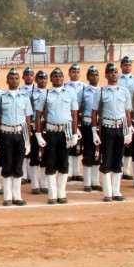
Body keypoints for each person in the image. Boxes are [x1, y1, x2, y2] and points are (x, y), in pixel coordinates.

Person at [0, 69, 33, 206]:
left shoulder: (25, 98)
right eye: (11, 78)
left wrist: (28, 141)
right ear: (7, 81)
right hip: (6, 135)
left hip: (20, 134)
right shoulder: (1, 98)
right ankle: (7, 197)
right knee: (7, 165)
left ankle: (17, 196)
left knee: (18, 165)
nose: (14, 80)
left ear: (20, 80)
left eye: (16, 78)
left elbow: (28, 120)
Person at [35, 68, 79, 205]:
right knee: (50, 161)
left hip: (65, 132)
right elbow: (38, 116)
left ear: (63, 78)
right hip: (51, 132)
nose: (58, 78)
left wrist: (75, 133)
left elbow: (74, 115)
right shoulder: (45, 94)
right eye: (55, 76)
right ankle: (52, 194)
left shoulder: (71, 93)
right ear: (51, 78)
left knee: (64, 162)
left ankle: (61, 192)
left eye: (60, 76)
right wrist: (38, 134)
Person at [92, 64, 132, 202]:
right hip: (107, 128)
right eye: (110, 72)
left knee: (118, 160)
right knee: (107, 159)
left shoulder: (125, 91)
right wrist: (94, 132)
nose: (113, 74)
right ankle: (107, 193)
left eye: (115, 72)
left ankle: (117, 191)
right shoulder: (101, 92)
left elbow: (127, 113)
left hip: (121, 128)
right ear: (106, 75)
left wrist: (129, 130)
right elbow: (94, 113)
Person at [78, 66, 102, 194]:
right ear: (87, 77)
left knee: (98, 152)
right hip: (87, 124)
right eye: (91, 75)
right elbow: (77, 110)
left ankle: (96, 181)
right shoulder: (82, 92)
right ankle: (87, 183)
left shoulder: (102, 91)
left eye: (96, 75)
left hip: (99, 125)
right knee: (88, 152)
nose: (94, 77)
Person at [117, 56, 134, 182]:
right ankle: (119, 167)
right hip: (120, 114)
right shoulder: (116, 79)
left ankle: (127, 170)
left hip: (132, 113)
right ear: (121, 66)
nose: (127, 66)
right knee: (120, 140)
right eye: (125, 65)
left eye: (129, 64)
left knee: (130, 142)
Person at [64, 64, 86, 183]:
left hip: (80, 118)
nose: (75, 73)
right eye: (73, 71)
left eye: (77, 71)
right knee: (69, 144)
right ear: (69, 73)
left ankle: (76, 172)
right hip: (68, 119)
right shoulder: (65, 86)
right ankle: (68, 172)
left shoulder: (85, 87)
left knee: (78, 146)